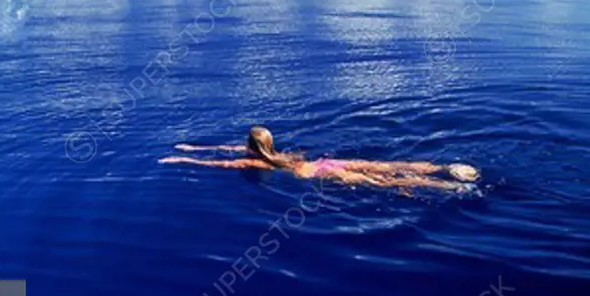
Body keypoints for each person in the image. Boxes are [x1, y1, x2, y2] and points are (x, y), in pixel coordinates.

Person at [159, 126, 479, 193]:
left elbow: (225, 163)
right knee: (384, 168)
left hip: (315, 175)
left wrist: (185, 162)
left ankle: (444, 187)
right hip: (326, 161)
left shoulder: (256, 163)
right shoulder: (276, 154)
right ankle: (445, 169)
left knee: (381, 182)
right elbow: (230, 150)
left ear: (250, 147)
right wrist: (192, 148)